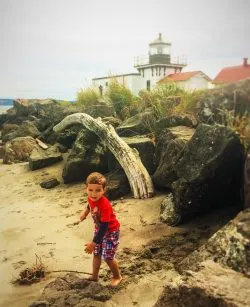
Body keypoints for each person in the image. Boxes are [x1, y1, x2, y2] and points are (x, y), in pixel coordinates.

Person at [79, 172, 122, 286]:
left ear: (104, 190)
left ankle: (117, 276)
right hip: (99, 230)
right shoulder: (90, 198)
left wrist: (93, 243)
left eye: (98, 190)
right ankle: (94, 276)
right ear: (86, 188)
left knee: (108, 257)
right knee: (97, 254)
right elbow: (89, 204)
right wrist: (85, 212)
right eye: (91, 190)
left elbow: (104, 227)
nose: (94, 194)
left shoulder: (105, 205)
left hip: (110, 231)